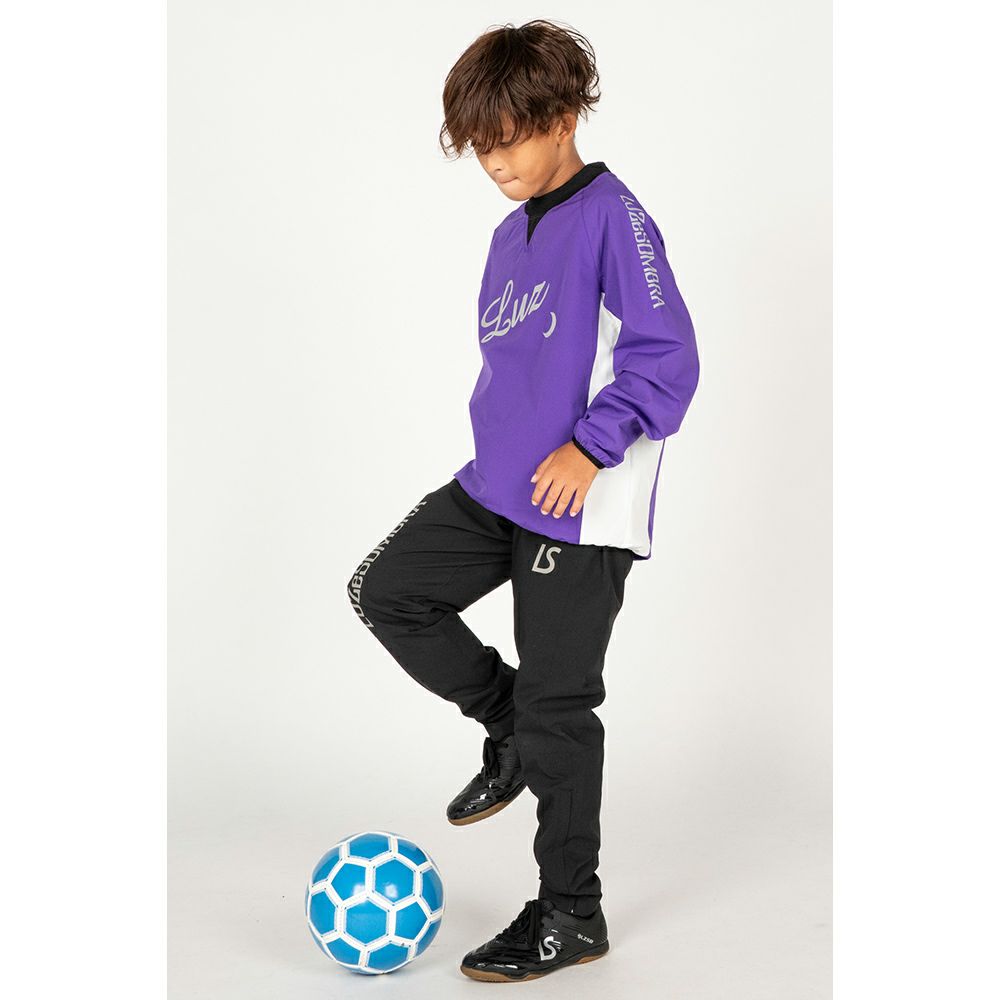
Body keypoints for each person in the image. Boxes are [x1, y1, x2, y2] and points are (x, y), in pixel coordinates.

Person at [347, 19, 699, 983]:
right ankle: (505, 724)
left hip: (579, 503)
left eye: (509, 138)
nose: (495, 162)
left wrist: (591, 448)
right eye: (481, 147)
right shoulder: (511, 233)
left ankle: (571, 914)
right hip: (497, 486)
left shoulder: (614, 216)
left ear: (565, 117)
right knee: (386, 591)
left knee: (561, 707)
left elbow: (668, 358)